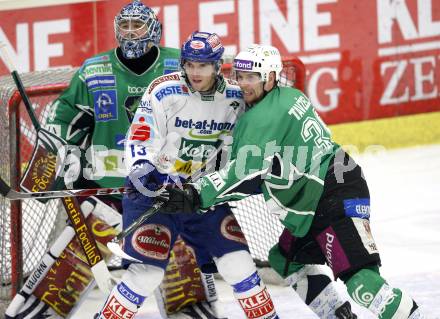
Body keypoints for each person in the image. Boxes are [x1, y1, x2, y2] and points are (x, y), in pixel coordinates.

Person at [156, 45, 425, 319]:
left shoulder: (261, 118)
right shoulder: (290, 96)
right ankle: (337, 315)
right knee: (286, 260)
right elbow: (258, 172)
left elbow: (242, 174)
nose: (244, 84)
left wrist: (196, 193)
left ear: (270, 78)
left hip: (331, 195)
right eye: (241, 76)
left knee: (360, 282)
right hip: (321, 192)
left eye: (252, 78)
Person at [45, 1, 222, 317]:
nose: (129, 32)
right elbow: (62, 118)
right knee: (69, 267)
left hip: (165, 185)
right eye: (124, 25)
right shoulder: (94, 70)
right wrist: (65, 152)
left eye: (137, 25)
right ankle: (43, 308)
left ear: (153, 29)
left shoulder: (179, 67)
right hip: (106, 190)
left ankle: (189, 306)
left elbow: (211, 110)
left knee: (176, 253)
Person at [95, 31, 281, 319]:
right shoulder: (163, 90)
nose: (195, 72)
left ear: (217, 66)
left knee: (239, 263)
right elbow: (142, 136)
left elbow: (250, 137)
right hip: (155, 193)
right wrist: (143, 169)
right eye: (190, 64)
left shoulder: (234, 98)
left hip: (199, 194)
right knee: (146, 274)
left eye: (203, 65)